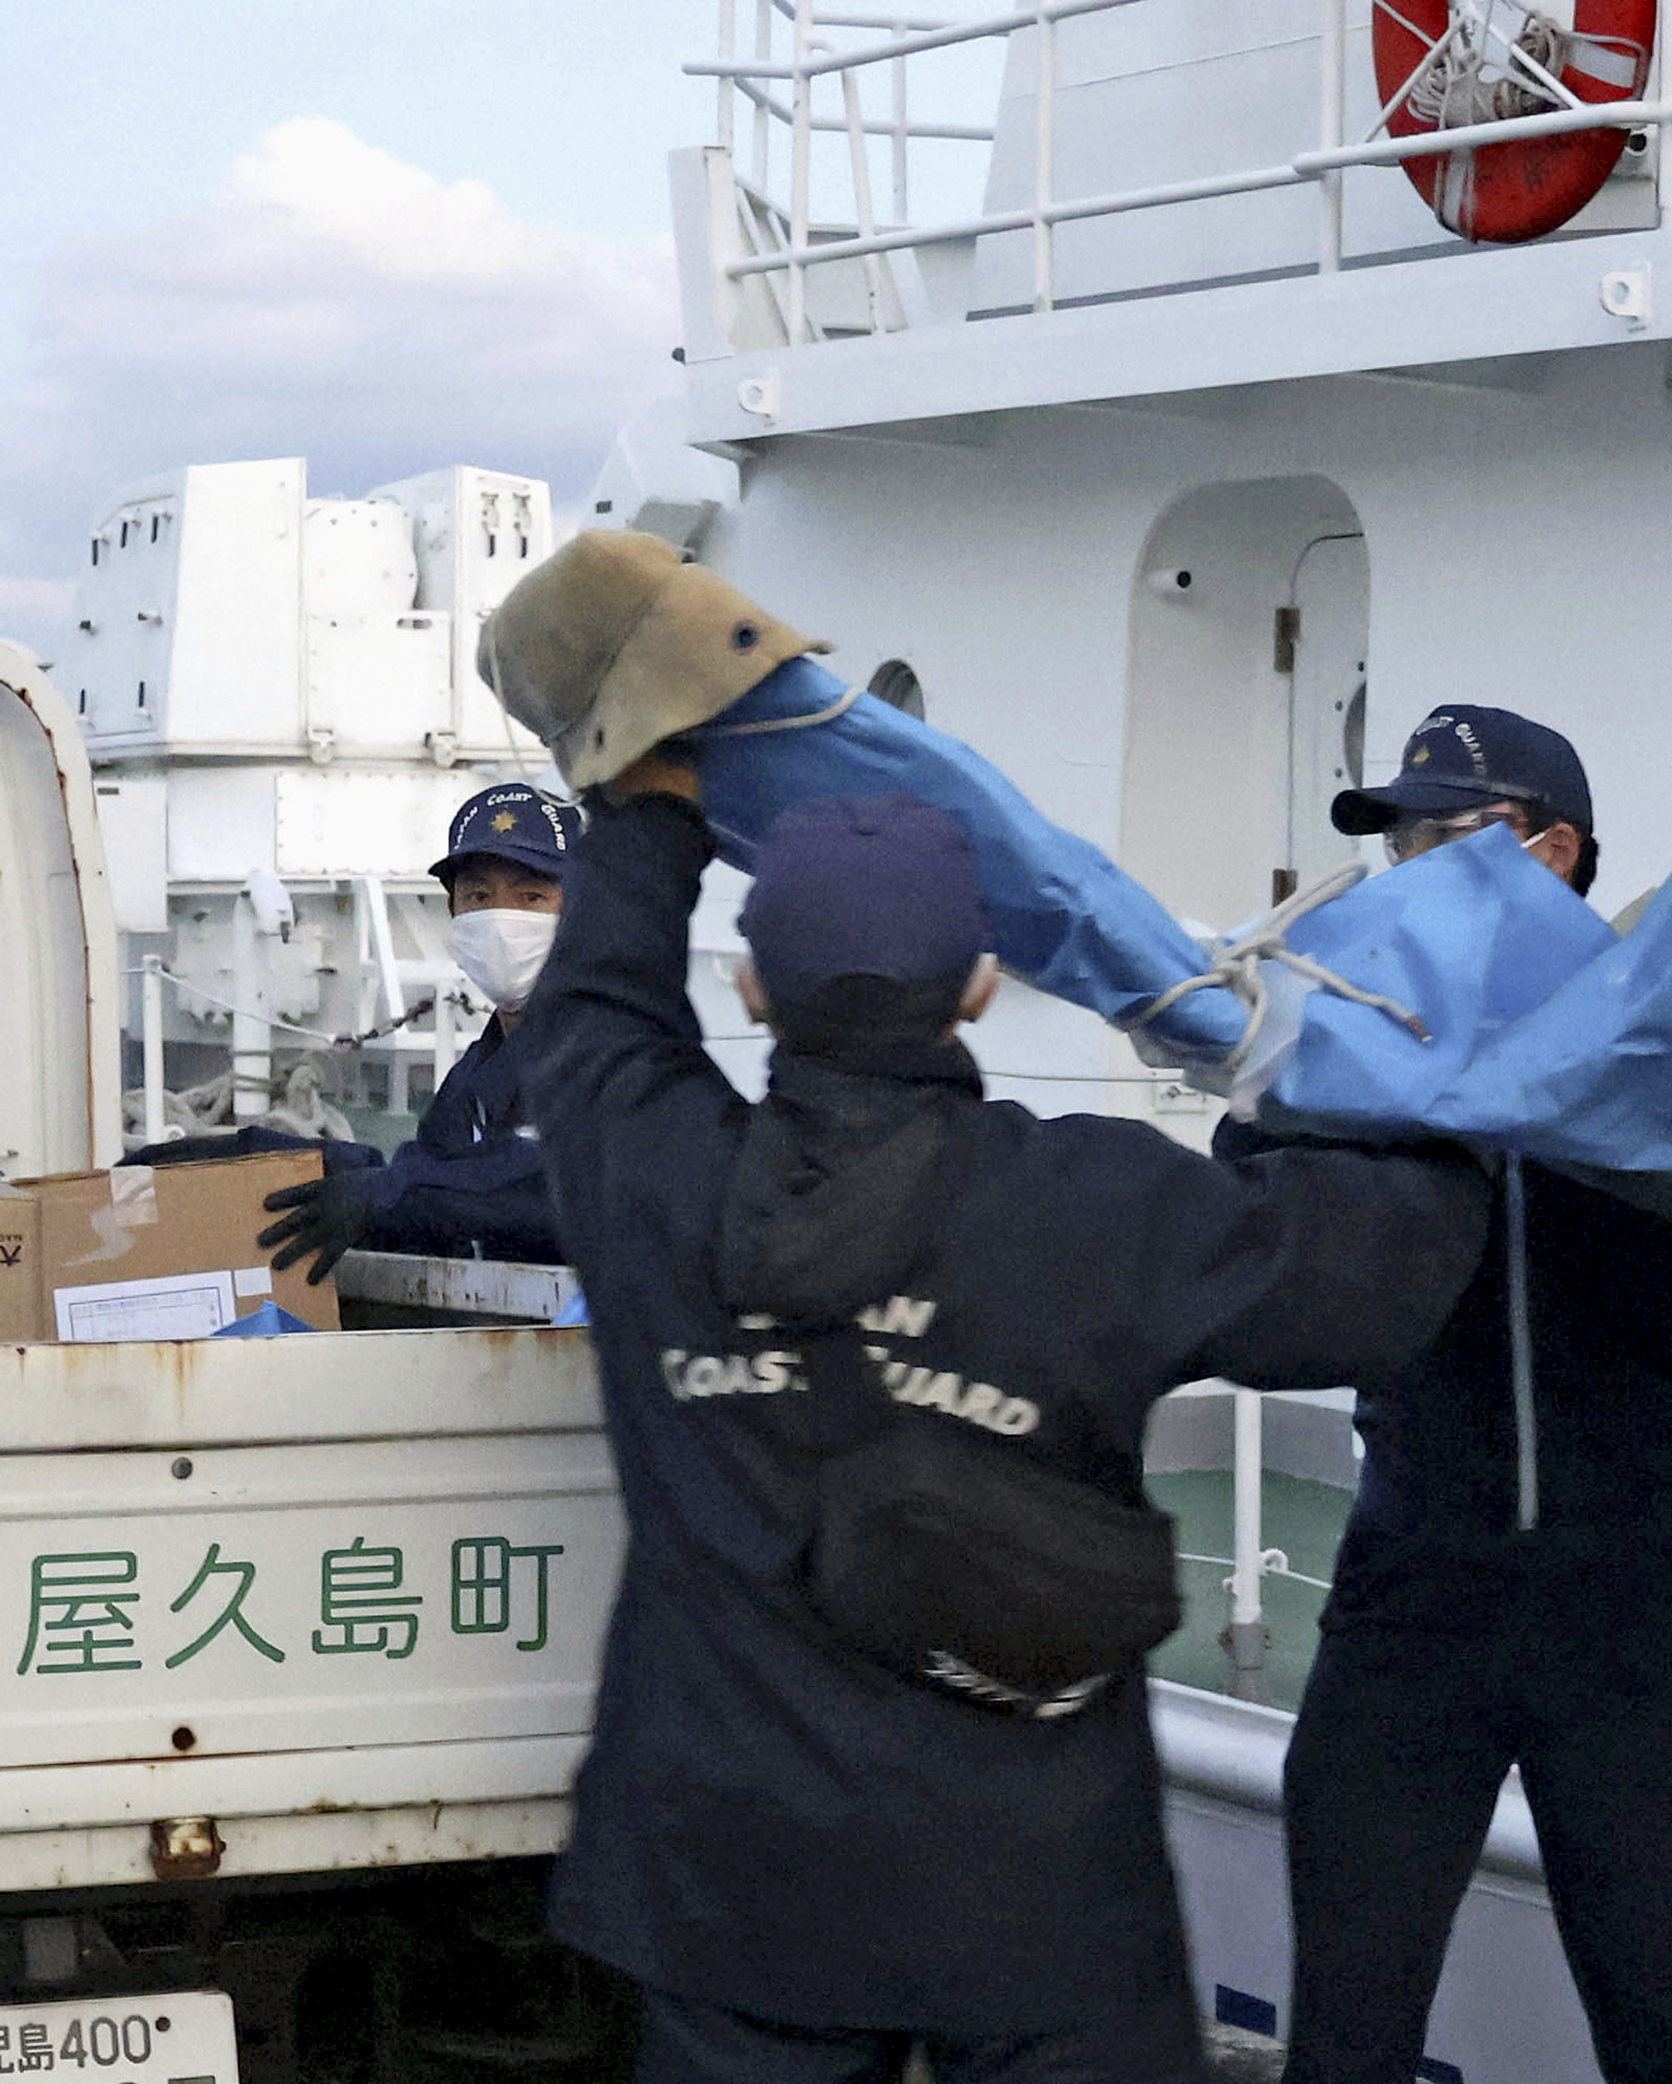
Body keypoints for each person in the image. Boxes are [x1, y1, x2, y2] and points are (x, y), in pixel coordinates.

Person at [502, 531, 1498, 2084]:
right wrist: (1319, 1068)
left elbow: (596, 999)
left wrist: (657, 781)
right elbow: (1390, 1269)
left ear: (751, 989)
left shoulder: (648, 1172)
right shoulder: (1100, 1207)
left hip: (729, 1891)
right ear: (980, 979)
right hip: (1040, 1900)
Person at [1234, 703, 1672, 2084]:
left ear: (1559, 853)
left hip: (1631, 1610)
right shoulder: (1352, 1060)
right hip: (1411, 1591)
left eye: (1447, 841)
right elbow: (1249, 1249)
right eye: (1400, 843)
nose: (1411, 873)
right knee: (1343, 2039)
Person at [254, 781, 584, 1279]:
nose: (500, 919)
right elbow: (432, 1177)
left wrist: (388, 1194)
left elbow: (543, 1182)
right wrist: (276, 1165)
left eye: (531, 896)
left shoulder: (616, 1053)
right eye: (478, 896)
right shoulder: (475, 1075)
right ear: (453, 911)